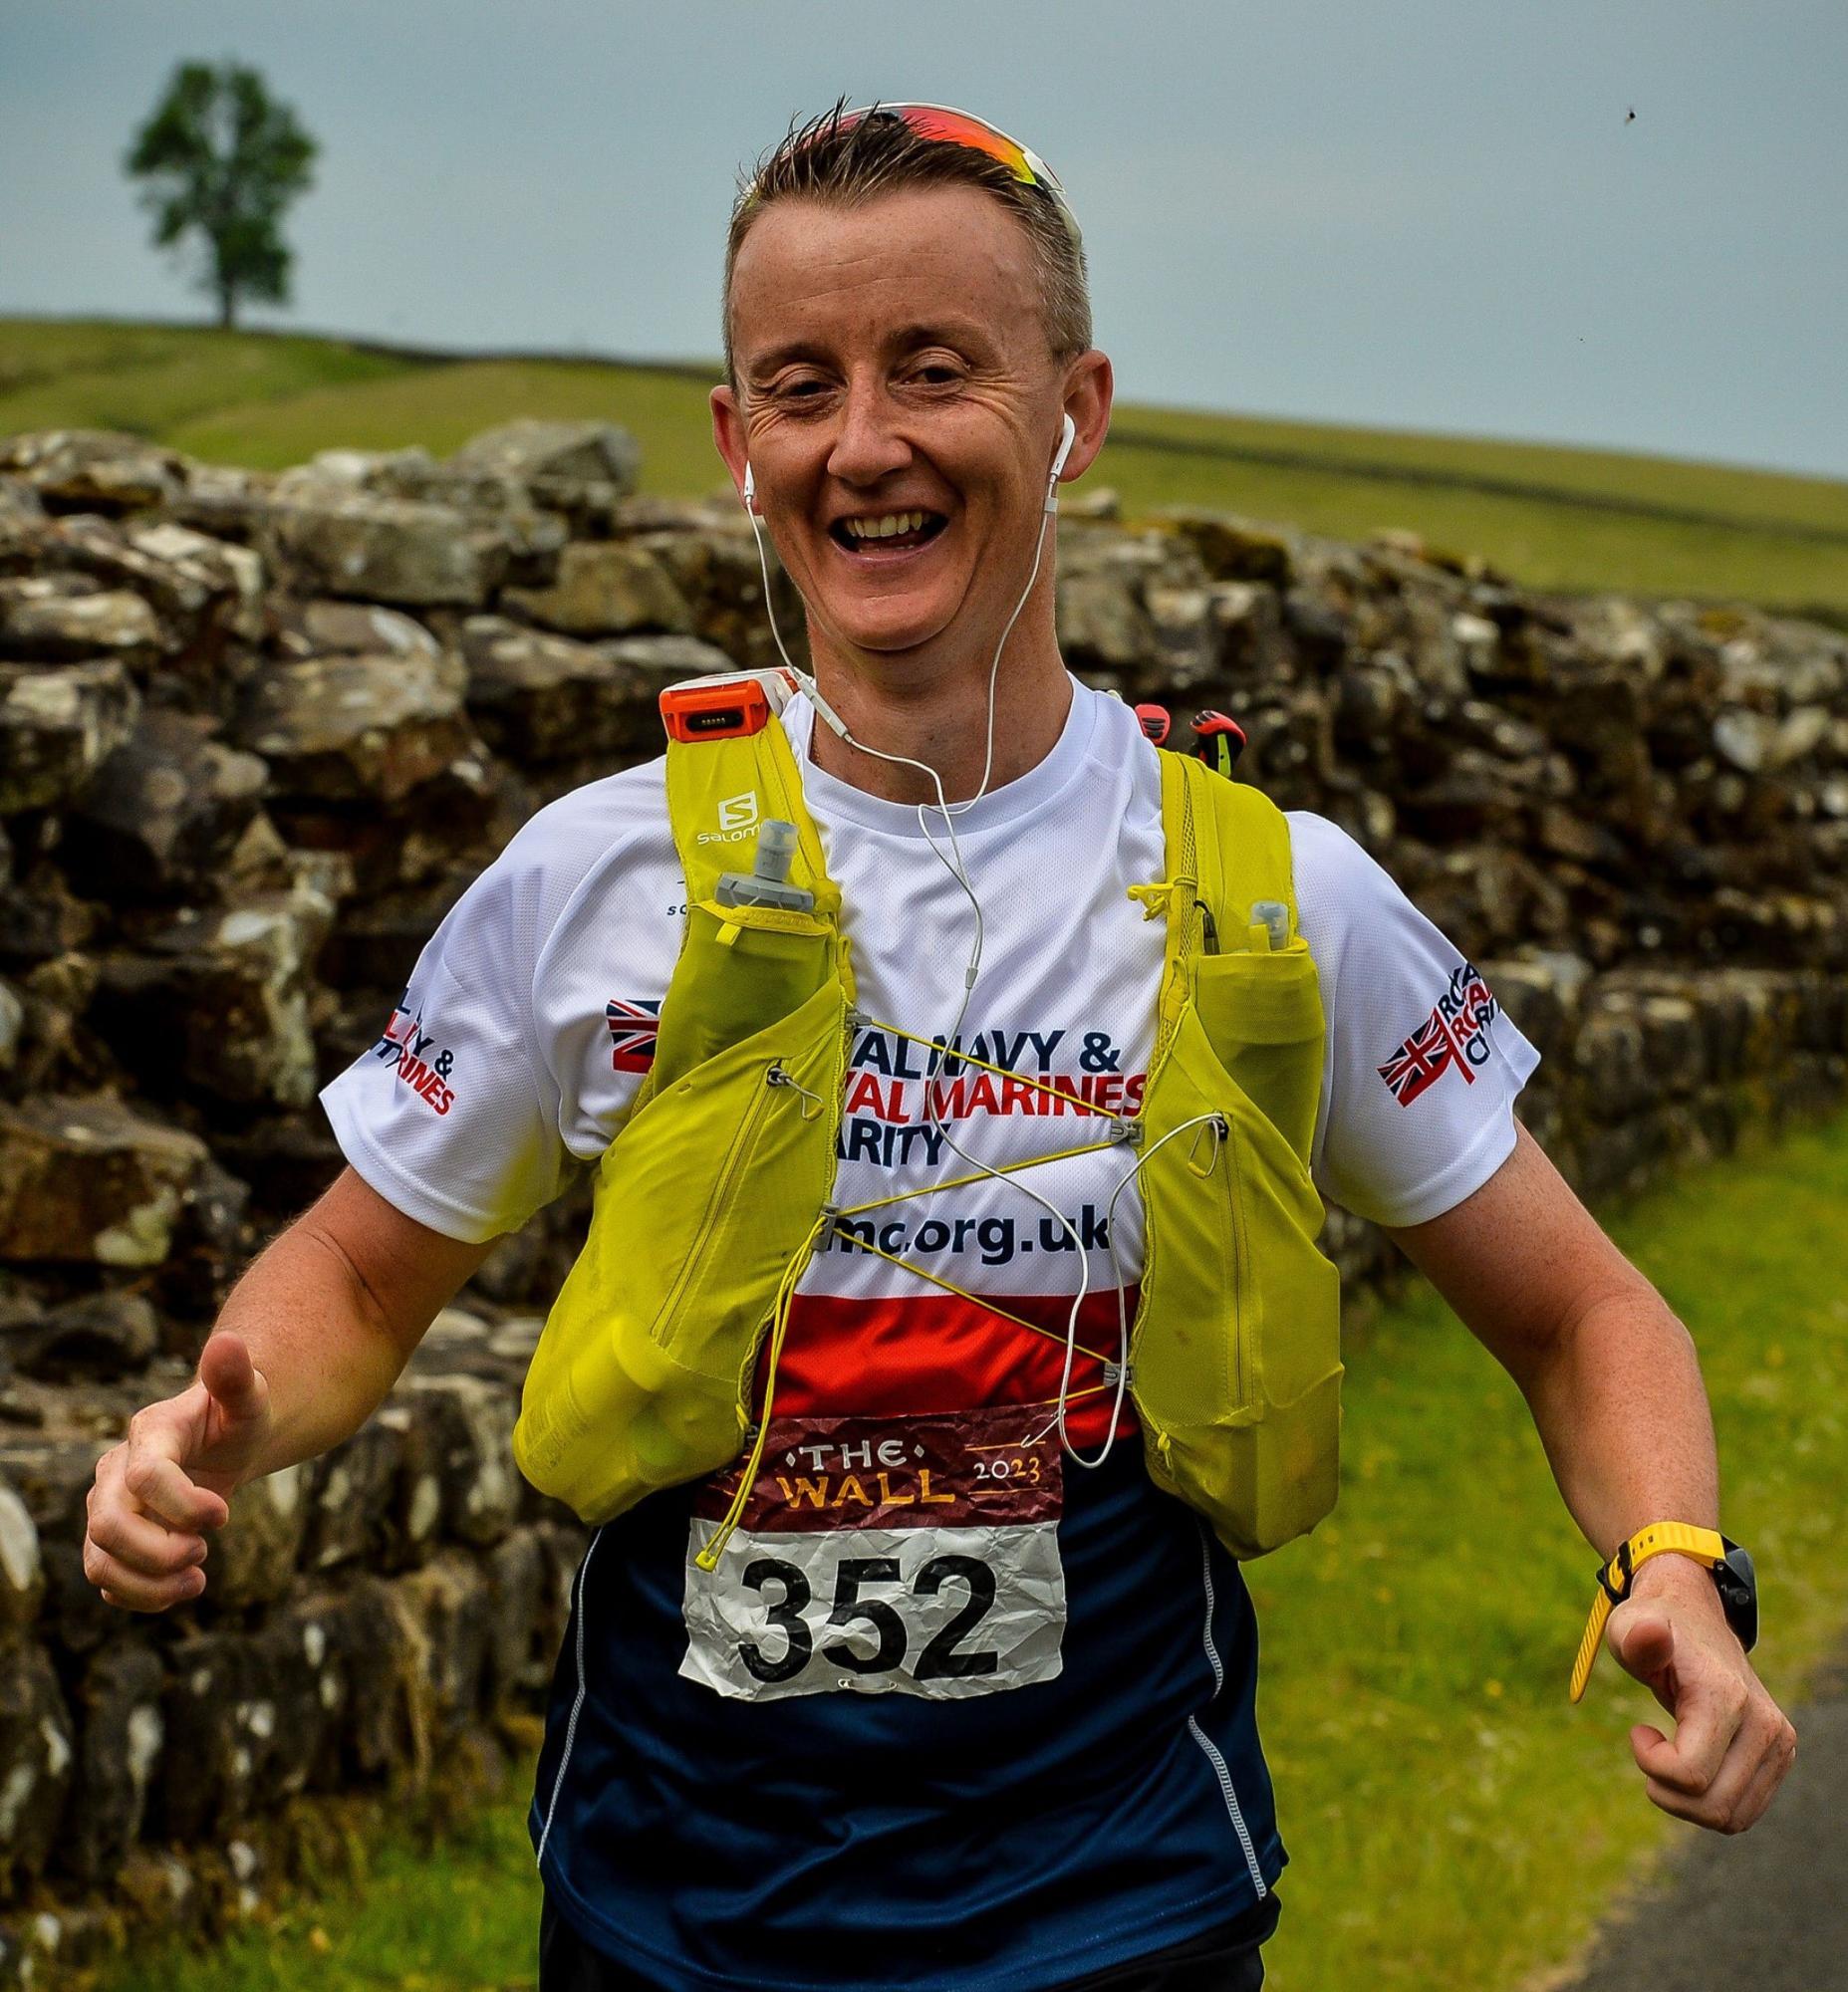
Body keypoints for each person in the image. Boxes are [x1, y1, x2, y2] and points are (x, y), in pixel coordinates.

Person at [84, 100, 1795, 1992]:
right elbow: (354, 1268)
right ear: (738, 446)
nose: (866, 444)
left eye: (934, 369)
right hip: (673, 1913)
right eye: (800, 385)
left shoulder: (1271, 892)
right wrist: (215, 1433)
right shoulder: (597, 874)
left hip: (1117, 1908)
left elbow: (1584, 1314)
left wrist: (1674, 1567)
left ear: (1075, 411)